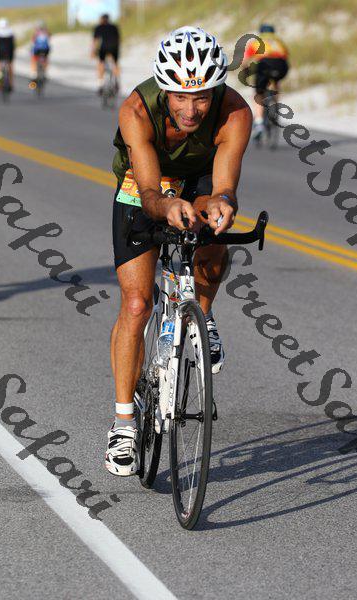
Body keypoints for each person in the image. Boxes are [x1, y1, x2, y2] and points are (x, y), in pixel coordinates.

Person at [105, 26, 253, 477]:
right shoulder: (136, 110)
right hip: (145, 182)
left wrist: (222, 205)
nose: (191, 110)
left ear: (216, 90)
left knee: (214, 231)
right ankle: (124, 424)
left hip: (200, 177)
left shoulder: (235, 113)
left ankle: (202, 317)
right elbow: (151, 193)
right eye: (180, 97)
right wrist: (168, 206)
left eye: (202, 97)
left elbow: (223, 187)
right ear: (164, 89)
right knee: (137, 303)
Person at [243, 24, 289, 138]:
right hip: (281, 66)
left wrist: (245, 71)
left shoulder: (257, 42)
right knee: (276, 81)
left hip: (264, 64)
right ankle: (275, 105)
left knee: (258, 94)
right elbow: (286, 57)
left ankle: (259, 123)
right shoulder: (279, 42)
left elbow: (245, 61)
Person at [92, 13, 120, 95]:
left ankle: (100, 85)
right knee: (115, 63)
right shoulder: (114, 27)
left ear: (101, 19)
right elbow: (118, 39)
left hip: (104, 48)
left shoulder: (99, 27)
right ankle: (117, 82)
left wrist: (93, 51)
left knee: (101, 63)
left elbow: (95, 41)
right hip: (114, 48)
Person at [0, 18, 15, 91]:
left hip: (0, 51)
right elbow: (13, 43)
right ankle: (11, 83)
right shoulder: (11, 31)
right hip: (9, 51)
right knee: (10, 64)